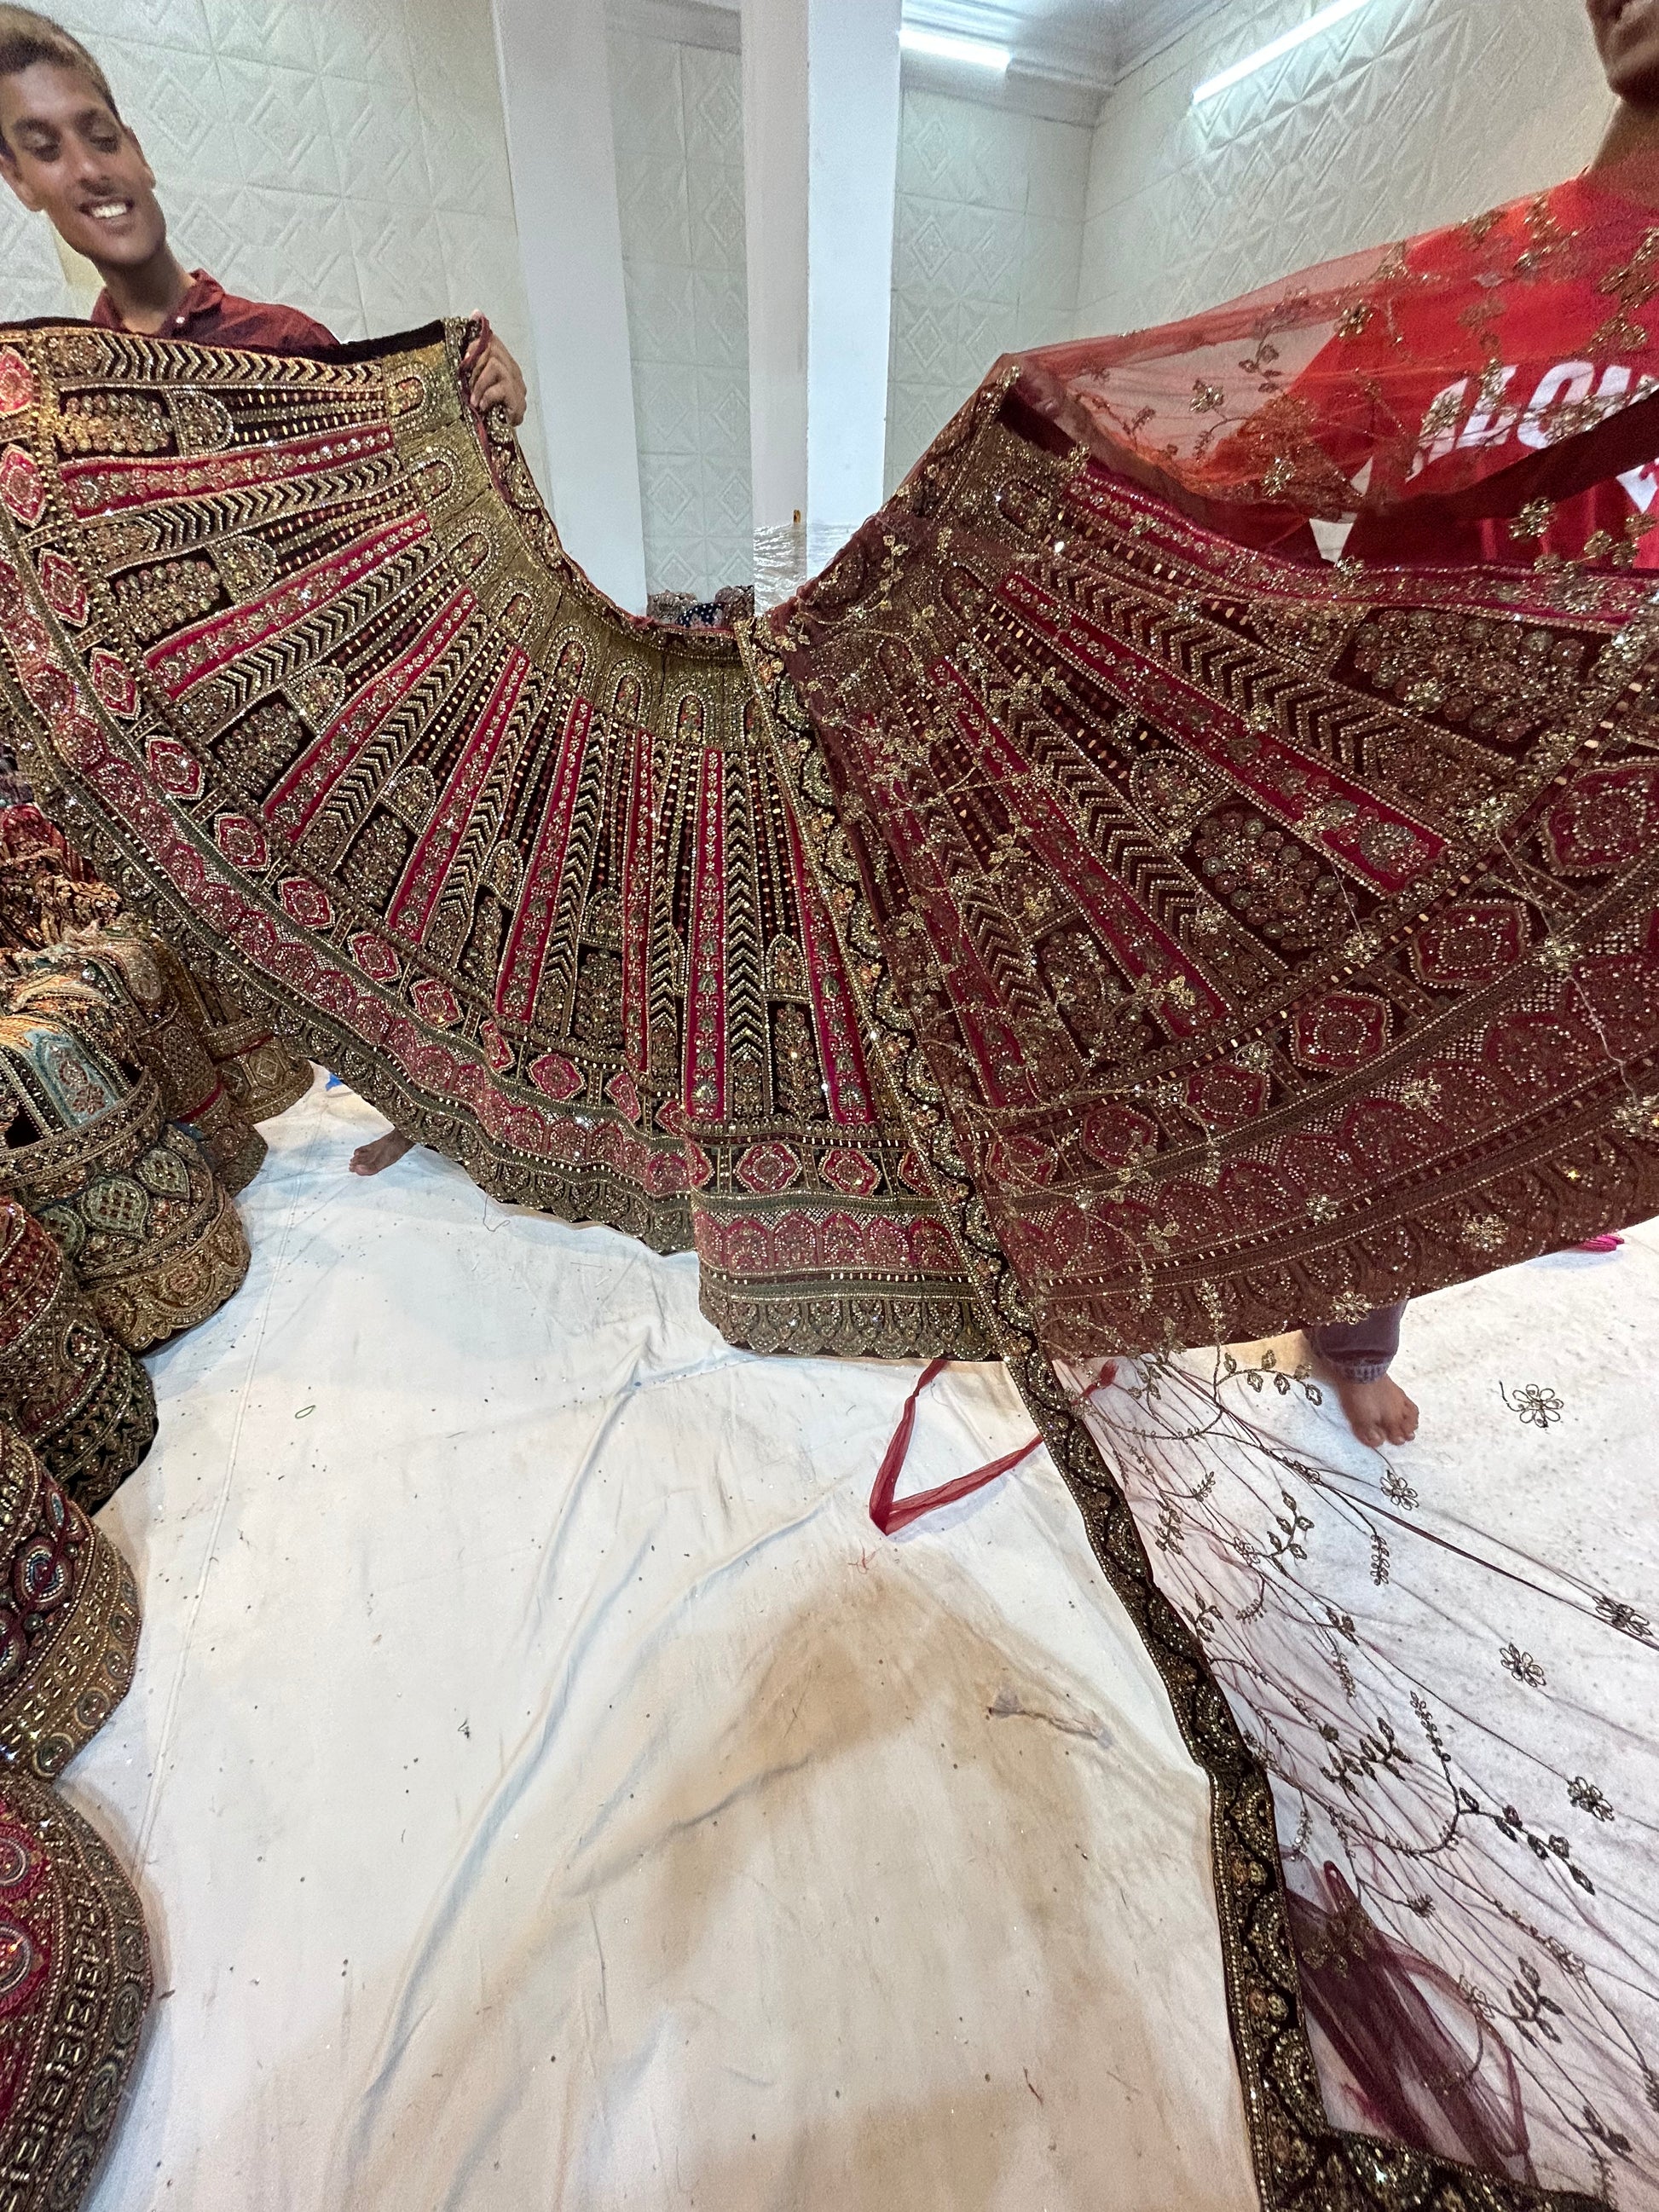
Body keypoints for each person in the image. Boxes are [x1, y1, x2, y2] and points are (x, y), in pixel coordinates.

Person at [0, 4, 528, 1179]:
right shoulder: (56, 414)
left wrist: (480, 400)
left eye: (99, 133)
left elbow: (400, 535)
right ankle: (402, 1092)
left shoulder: (277, 344)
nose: (87, 168)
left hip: (360, 726)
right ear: (19, 184)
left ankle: (481, 1108)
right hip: (228, 766)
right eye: (44, 148)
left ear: (138, 148)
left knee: (436, 912)